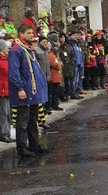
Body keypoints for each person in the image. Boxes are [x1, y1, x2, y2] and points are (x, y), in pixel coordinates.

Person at [8, 24, 50, 157]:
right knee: (22, 121)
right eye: (29, 33)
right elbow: (14, 72)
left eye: (32, 32)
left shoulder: (29, 49)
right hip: (24, 92)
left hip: (33, 92)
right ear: (21, 34)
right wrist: (19, 88)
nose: (32, 35)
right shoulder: (16, 50)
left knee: (33, 120)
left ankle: (34, 145)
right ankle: (22, 148)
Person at [0, 39, 15, 143]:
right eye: (6, 47)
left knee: (8, 113)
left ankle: (7, 133)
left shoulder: (7, 59)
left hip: (8, 89)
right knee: (4, 113)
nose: (8, 49)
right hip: (2, 90)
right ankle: (3, 134)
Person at [47, 35, 63, 113]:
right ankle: (50, 106)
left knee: (55, 92)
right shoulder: (48, 54)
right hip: (52, 76)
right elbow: (52, 63)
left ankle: (55, 104)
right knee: (51, 92)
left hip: (56, 76)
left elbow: (58, 61)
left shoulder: (52, 54)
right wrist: (58, 65)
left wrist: (59, 64)